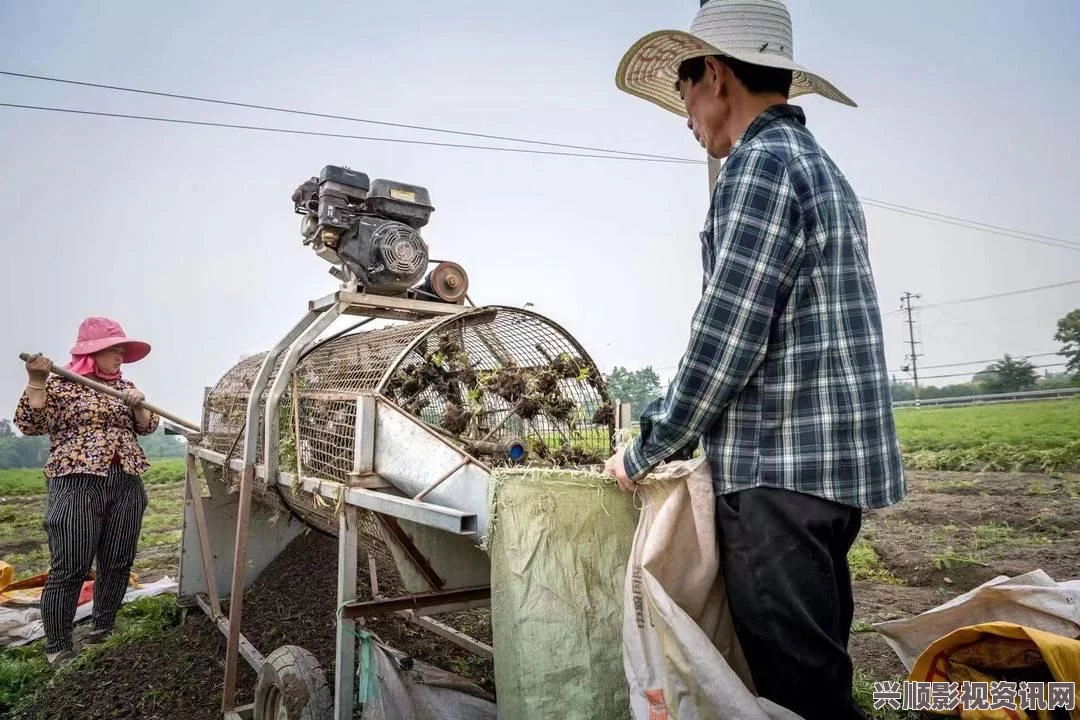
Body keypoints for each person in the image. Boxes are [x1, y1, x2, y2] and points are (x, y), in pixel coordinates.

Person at [604, 1, 905, 718]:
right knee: (819, 671)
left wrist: (645, 450)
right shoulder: (817, 165)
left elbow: (725, 338)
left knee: (797, 693)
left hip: (777, 479)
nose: (684, 118)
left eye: (682, 95)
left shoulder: (760, 165)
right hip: (825, 483)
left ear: (713, 75)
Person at [14, 317, 159, 668]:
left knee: (118, 560)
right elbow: (28, 423)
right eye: (114, 351)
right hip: (76, 482)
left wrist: (138, 403)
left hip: (125, 480)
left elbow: (148, 426)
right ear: (92, 353)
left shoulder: (126, 386)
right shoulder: (62, 386)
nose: (120, 357)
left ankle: (102, 629)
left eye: (122, 351)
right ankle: (58, 644)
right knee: (71, 566)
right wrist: (37, 380)